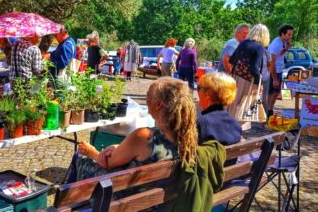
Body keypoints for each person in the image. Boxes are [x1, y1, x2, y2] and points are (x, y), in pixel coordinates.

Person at [66, 77, 196, 182]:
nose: (146, 99)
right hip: (154, 197)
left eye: (148, 95)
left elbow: (107, 163)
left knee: (80, 157)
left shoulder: (145, 136)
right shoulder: (186, 134)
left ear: (158, 105)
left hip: (124, 197)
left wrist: (90, 151)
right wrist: (118, 147)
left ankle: (68, 205)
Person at [226, 24, 270, 131]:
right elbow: (255, 68)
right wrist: (260, 83)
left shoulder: (244, 43)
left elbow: (232, 60)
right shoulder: (260, 47)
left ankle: (228, 129)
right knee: (245, 108)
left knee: (233, 105)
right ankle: (238, 133)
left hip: (235, 78)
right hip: (249, 82)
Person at [197, 72, 241, 146]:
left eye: (199, 87)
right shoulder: (235, 123)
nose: (197, 91)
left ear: (208, 95)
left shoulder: (201, 124)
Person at [267, 24, 294, 117]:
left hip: (279, 70)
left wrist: (287, 47)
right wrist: (274, 79)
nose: (290, 37)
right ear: (282, 34)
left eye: (291, 35)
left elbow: (281, 53)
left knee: (276, 92)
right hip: (274, 71)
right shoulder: (276, 45)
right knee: (272, 92)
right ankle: (268, 111)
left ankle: (269, 110)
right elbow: (271, 64)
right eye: (289, 35)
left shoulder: (283, 42)